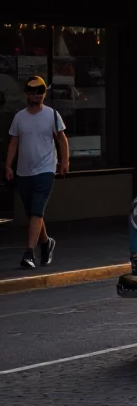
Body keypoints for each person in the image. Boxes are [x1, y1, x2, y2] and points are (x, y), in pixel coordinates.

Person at [4, 75, 69, 269]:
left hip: (46, 169)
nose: (37, 96)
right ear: (26, 94)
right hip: (24, 172)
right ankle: (46, 242)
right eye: (33, 92)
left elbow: (62, 138)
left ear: (44, 94)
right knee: (34, 213)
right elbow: (14, 142)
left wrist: (65, 161)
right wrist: (8, 166)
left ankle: (29, 253)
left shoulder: (52, 114)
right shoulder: (19, 117)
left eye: (40, 92)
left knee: (36, 210)